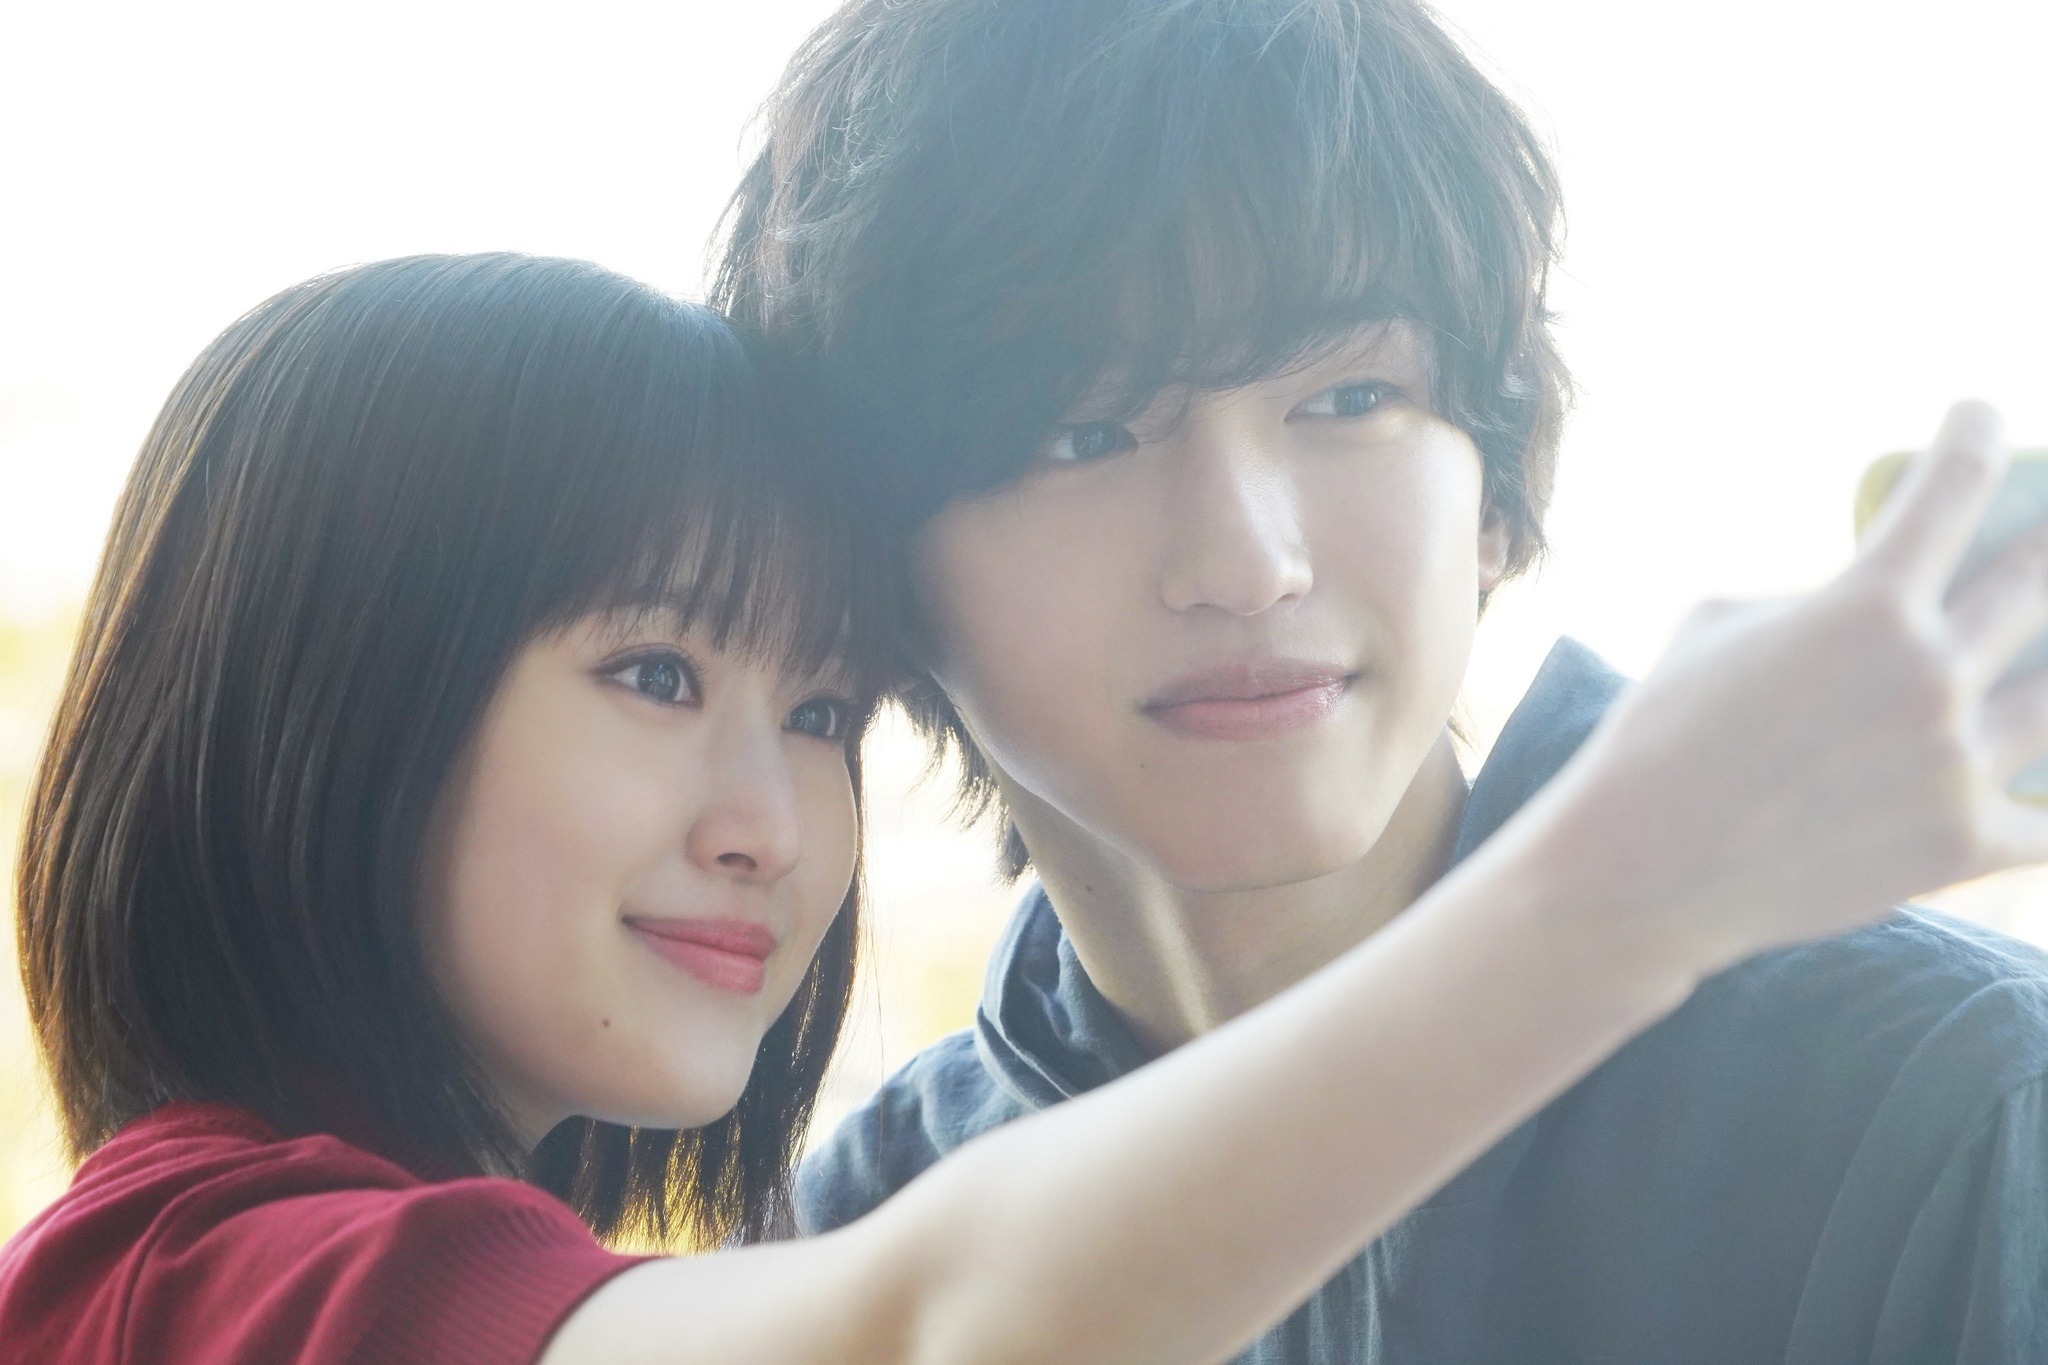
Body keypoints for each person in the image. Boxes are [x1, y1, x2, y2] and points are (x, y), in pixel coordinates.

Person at [0, 255, 2038, 1365]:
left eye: (823, 710)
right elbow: (932, 1338)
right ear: (320, 691)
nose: (771, 824)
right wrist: (1640, 878)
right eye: (654, 675)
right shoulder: (183, 1287)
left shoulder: (1956, 1099)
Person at [713, 0, 2048, 1359]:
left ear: (1492, 495)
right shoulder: (857, 1232)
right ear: (882, 571)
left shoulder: (1953, 1097)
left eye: (1350, 400)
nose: (1249, 563)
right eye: (1084, 434)